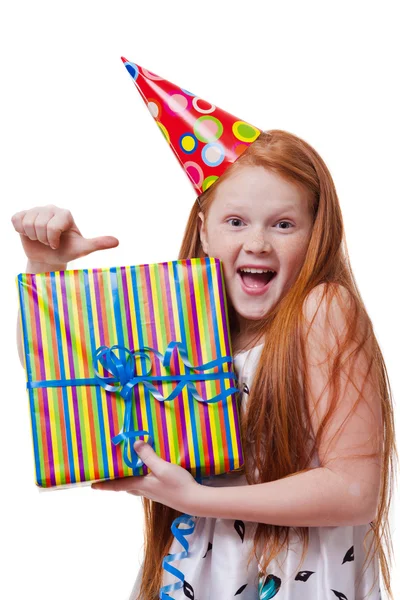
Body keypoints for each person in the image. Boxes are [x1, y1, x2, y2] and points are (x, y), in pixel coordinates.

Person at [13, 57, 397, 599]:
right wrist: (46, 274)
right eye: (236, 221)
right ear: (204, 228)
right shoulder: (186, 325)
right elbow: (71, 392)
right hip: (199, 572)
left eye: (283, 224)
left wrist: (197, 499)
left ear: (316, 234)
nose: (258, 243)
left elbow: (355, 490)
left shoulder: (323, 308)